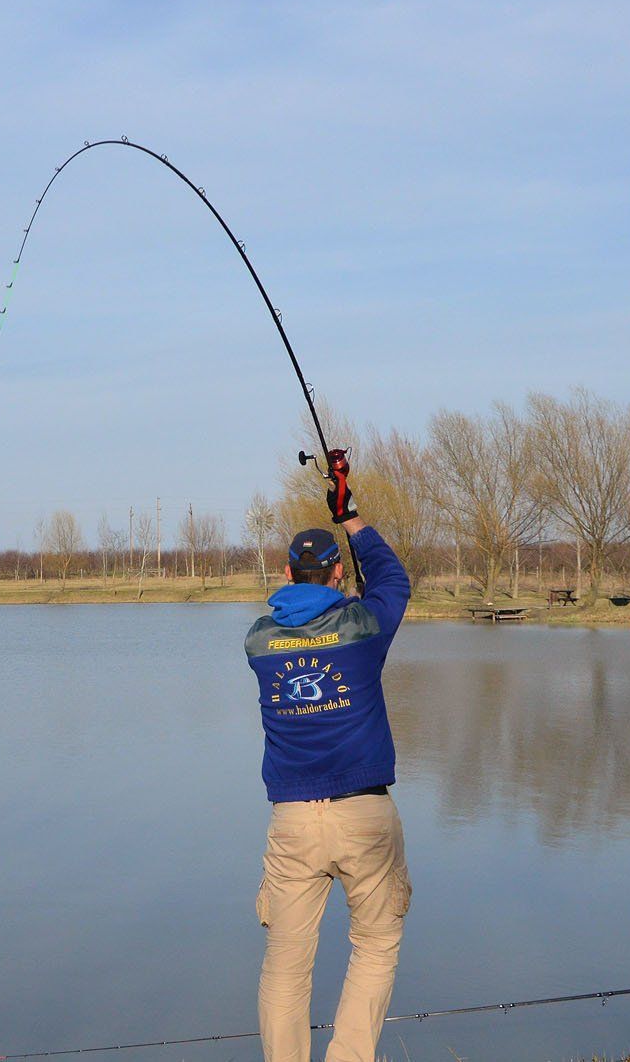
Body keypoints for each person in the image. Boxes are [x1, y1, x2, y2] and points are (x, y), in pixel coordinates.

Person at [244, 455, 412, 1062]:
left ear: (288, 572)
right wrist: (352, 517)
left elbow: (313, 614)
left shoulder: (259, 640)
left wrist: (340, 571)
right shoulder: (363, 625)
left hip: (292, 822)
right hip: (363, 814)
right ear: (338, 574)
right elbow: (393, 583)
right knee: (374, 945)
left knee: (285, 969)